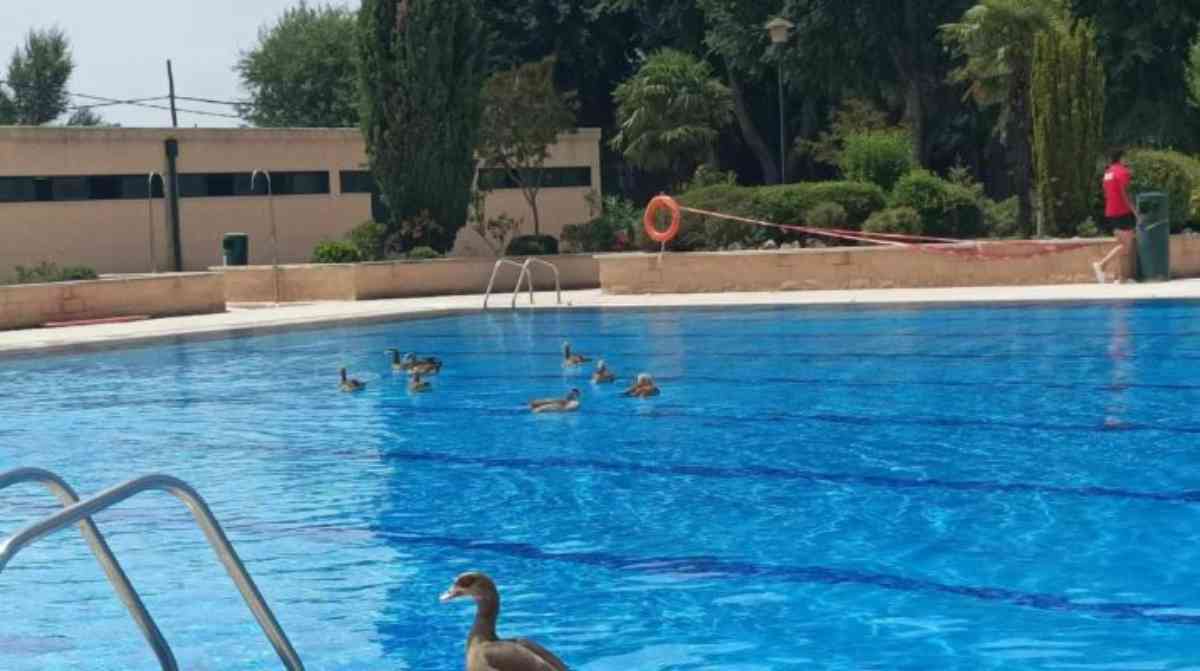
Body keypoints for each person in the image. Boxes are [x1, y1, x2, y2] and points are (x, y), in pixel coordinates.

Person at [1092, 149, 1138, 283]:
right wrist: (1135, 212)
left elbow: (1106, 192)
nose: (1127, 160)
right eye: (1126, 158)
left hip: (1111, 211)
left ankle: (1121, 278)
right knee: (1126, 247)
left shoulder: (1107, 173)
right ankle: (1101, 265)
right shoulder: (1123, 172)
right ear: (1121, 158)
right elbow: (1125, 194)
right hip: (1123, 212)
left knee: (1121, 245)